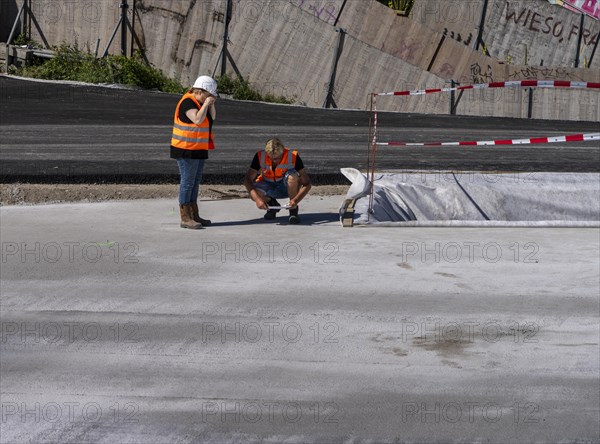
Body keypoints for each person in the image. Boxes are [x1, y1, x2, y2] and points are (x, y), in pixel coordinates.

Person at [170, 75, 218, 229]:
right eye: (209, 95)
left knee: (195, 183)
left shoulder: (201, 102)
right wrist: (206, 105)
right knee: (187, 183)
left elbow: (213, 117)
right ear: (202, 91)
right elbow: (197, 119)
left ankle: (194, 214)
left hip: (198, 149)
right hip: (186, 150)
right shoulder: (188, 102)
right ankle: (185, 217)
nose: (210, 98)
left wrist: (210, 105)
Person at [244, 138, 312, 224]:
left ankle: (293, 211)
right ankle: (272, 204)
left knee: (292, 177)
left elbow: (307, 184)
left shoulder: (292, 156)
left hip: (287, 187)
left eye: (278, 158)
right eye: (271, 158)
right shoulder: (260, 156)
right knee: (254, 193)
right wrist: (257, 199)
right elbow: (247, 179)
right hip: (268, 186)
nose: (275, 161)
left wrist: (296, 200)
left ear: (283, 151)